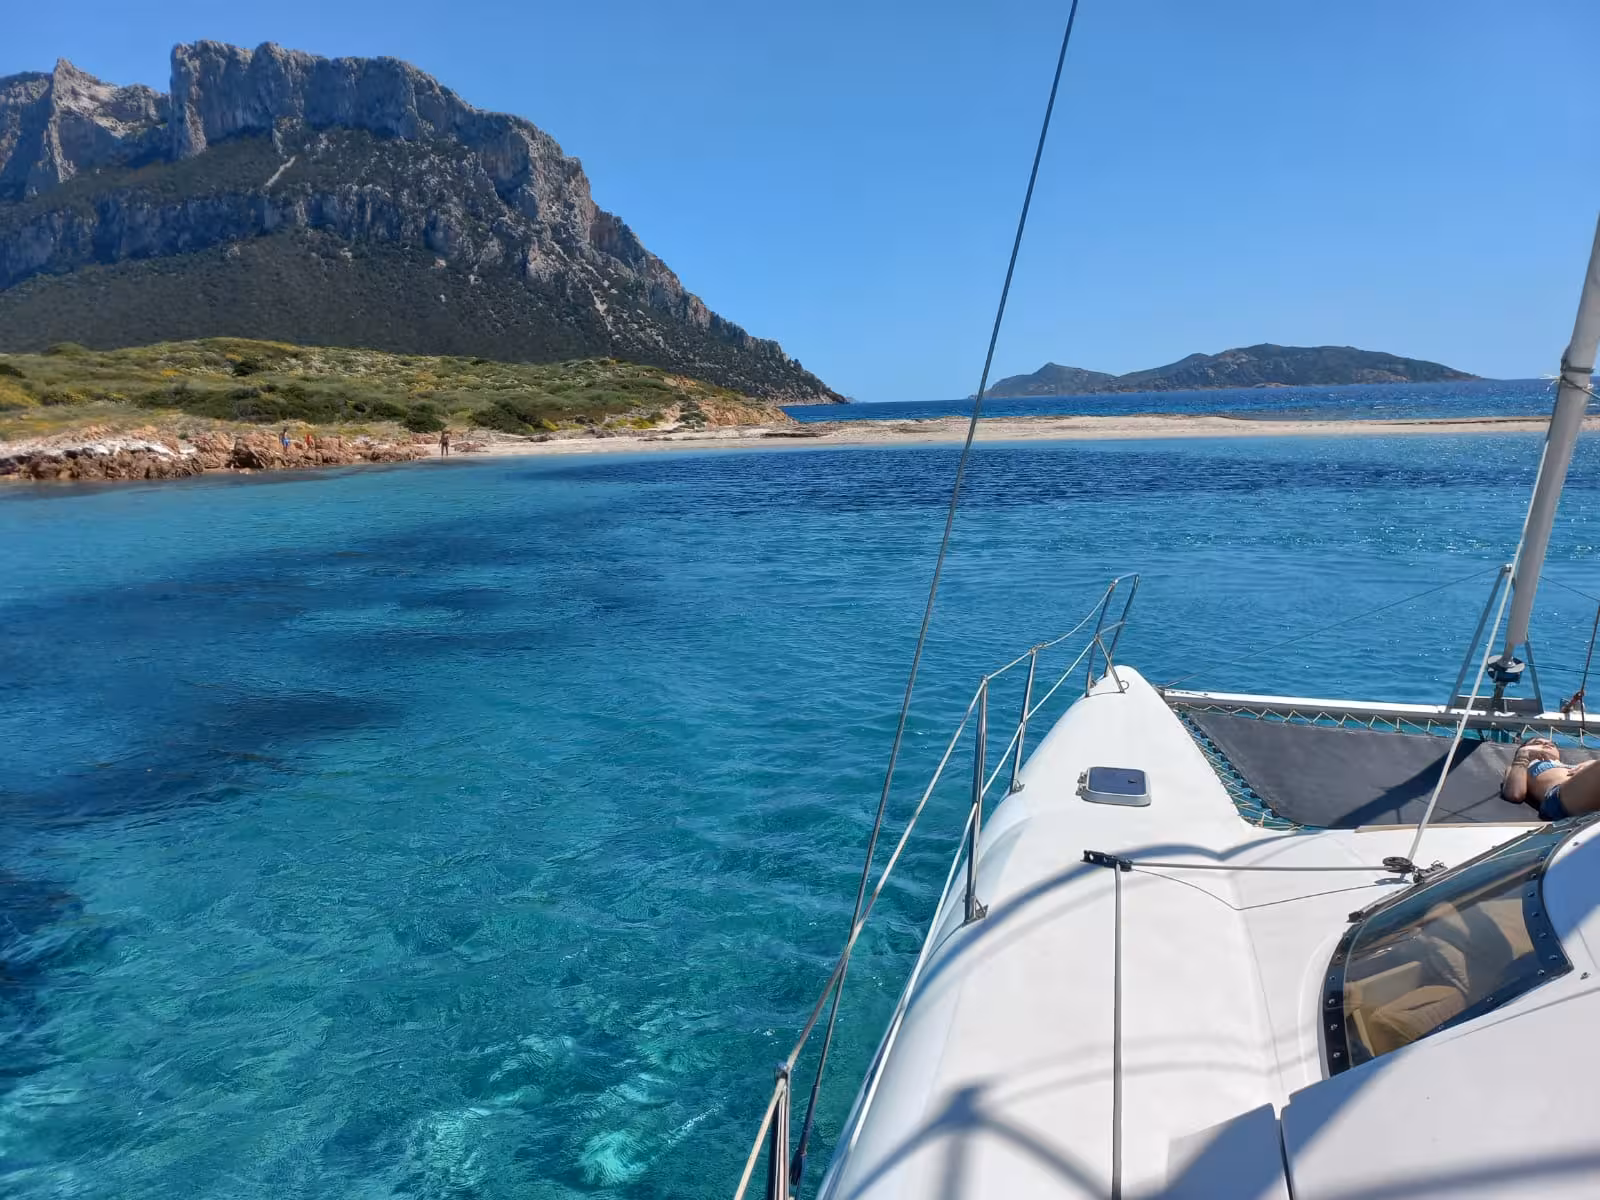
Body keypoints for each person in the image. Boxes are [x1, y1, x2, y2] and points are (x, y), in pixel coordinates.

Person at [1501, 737, 1600, 820]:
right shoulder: (1521, 766)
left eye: (1552, 744)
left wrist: (1591, 764)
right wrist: (1522, 756)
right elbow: (1515, 794)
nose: (1547, 744)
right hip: (1559, 799)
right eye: (1537, 743)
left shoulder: (1573, 765)